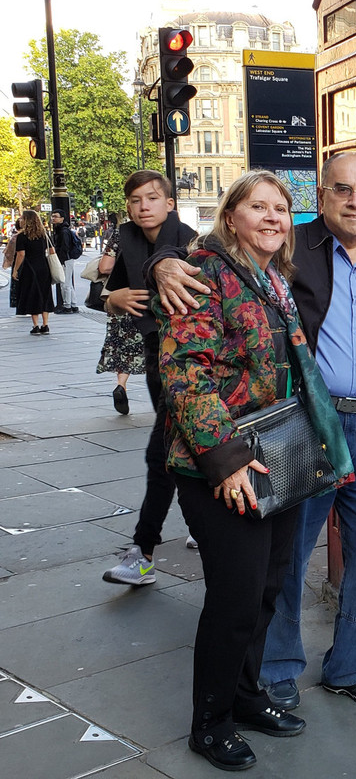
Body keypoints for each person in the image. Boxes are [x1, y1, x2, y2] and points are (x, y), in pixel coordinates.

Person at [153, 151, 356, 713]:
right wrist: (161, 263)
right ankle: (276, 669)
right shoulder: (295, 250)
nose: (355, 202)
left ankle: (352, 666)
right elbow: (204, 251)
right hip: (303, 427)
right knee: (287, 555)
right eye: (342, 190)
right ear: (322, 198)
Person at [153, 170, 352, 772]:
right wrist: (226, 463)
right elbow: (186, 372)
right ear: (231, 215)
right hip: (221, 464)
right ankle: (208, 722)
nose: (271, 217)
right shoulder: (202, 272)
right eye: (257, 207)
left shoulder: (271, 277)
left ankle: (244, 697)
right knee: (235, 597)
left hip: (277, 453)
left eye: (280, 208)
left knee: (267, 588)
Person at [101, 171, 198, 585]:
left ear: (170, 203)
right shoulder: (127, 239)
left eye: (153, 198)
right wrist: (112, 299)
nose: (144, 206)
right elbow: (104, 296)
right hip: (156, 359)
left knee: (162, 455)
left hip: (193, 363)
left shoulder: (191, 241)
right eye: (136, 199)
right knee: (188, 449)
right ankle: (206, 524)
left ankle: (143, 552)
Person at [95, 228, 143, 415]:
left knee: (124, 345)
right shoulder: (169, 232)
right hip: (151, 295)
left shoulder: (120, 234)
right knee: (155, 346)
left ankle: (121, 385)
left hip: (123, 296)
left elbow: (104, 267)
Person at [12, 210, 55, 334]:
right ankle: (45, 324)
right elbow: (52, 251)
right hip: (44, 266)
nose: (20, 220)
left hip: (30, 268)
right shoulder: (44, 234)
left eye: (22, 218)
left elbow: (21, 254)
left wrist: (15, 270)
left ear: (27, 220)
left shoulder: (22, 236)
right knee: (45, 293)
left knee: (33, 294)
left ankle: (35, 325)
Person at [51, 211, 82, 314]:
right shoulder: (62, 230)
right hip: (67, 259)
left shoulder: (63, 231)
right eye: (52, 216)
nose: (53, 218)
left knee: (65, 284)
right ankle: (73, 305)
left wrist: (61, 260)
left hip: (65, 259)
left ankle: (67, 306)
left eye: (56, 216)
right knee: (68, 283)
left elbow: (64, 247)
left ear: (62, 218)